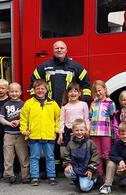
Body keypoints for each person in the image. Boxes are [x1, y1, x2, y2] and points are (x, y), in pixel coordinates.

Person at [29, 40, 91, 171]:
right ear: (53, 50)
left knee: (72, 139)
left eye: (61, 48)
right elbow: (33, 83)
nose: (59, 50)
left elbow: (86, 84)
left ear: (66, 50)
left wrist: (83, 101)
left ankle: (75, 166)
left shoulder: (76, 67)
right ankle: (54, 169)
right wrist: (37, 102)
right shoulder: (44, 67)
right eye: (56, 48)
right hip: (49, 108)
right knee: (52, 138)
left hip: (69, 109)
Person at [20, 79, 61, 186]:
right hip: (34, 135)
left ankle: (51, 176)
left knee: (50, 157)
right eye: (37, 88)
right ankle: (34, 177)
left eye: (42, 88)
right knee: (34, 157)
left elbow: (58, 118)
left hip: (49, 135)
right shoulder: (29, 103)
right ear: (34, 90)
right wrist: (24, 130)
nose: (40, 90)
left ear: (46, 90)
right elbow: (23, 118)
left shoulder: (53, 103)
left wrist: (56, 129)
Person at [0, 82, 30, 184]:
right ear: (8, 92)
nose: (14, 94)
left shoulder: (24, 104)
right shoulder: (6, 105)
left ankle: (25, 176)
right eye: (12, 92)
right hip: (8, 134)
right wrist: (8, 123)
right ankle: (9, 175)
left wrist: (19, 121)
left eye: (16, 91)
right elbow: (0, 118)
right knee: (8, 156)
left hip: (21, 134)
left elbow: (28, 118)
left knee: (23, 156)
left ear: (20, 92)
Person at [99, 122, 126, 194]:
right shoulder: (117, 144)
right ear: (119, 134)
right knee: (110, 163)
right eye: (122, 134)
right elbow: (112, 154)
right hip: (119, 169)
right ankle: (107, 185)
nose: (124, 136)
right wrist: (120, 161)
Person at [89, 80, 116, 178]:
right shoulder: (93, 103)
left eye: (100, 90)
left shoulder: (110, 103)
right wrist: (89, 131)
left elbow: (113, 118)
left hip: (106, 133)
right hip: (94, 132)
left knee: (107, 154)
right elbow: (90, 117)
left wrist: (113, 134)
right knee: (98, 155)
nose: (98, 93)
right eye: (96, 91)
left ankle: (109, 176)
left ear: (105, 90)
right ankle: (100, 175)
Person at [63, 119, 99, 192]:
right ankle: (78, 181)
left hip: (86, 170)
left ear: (85, 130)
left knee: (84, 188)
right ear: (73, 131)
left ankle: (94, 181)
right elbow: (66, 155)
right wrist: (68, 164)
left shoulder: (90, 143)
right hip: (76, 168)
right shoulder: (70, 144)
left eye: (81, 130)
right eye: (76, 130)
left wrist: (91, 169)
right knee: (68, 172)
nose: (79, 132)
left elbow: (95, 157)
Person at [58, 82, 90, 147]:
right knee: (70, 149)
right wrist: (60, 133)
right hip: (69, 131)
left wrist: (87, 130)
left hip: (81, 131)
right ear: (67, 94)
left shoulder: (83, 104)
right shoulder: (65, 106)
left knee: (82, 149)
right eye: (70, 91)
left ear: (79, 94)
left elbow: (86, 119)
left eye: (75, 91)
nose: (73, 93)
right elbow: (62, 121)